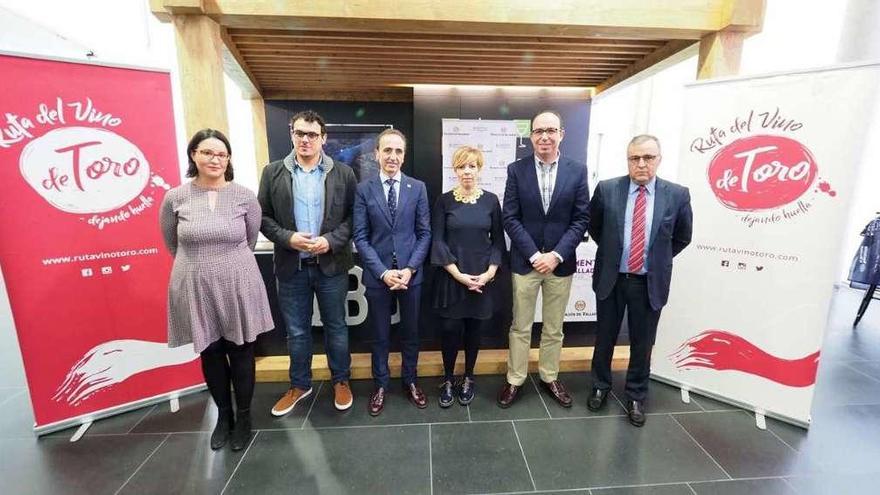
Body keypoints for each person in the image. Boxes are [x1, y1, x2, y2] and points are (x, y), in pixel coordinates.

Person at [160, 128, 273, 451]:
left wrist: (225, 263)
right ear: (193, 155)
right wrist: (202, 264)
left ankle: (246, 416)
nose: (215, 159)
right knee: (210, 351)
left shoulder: (243, 196)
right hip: (195, 283)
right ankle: (224, 416)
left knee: (241, 350)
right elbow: (171, 242)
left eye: (221, 154)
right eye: (208, 152)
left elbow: (249, 239)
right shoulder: (175, 197)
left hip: (238, 282)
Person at [587, 134, 693, 427]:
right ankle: (599, 386)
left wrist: (655, 258)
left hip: (649, 281)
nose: (642, 164)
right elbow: (596, 228)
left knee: (642, 342)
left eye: (648, 157)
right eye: (635, 158)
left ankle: (635, 395)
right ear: (628, 159)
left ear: (659, 159)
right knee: (604, 336)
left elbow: (682, 237)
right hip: (613, 277)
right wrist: (615, 253)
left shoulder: (677, 194)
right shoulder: (607, 190)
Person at [258, 110, 358, 417]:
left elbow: (355, 218)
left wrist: (331, 240)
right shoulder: (273, 172)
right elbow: (262, 217)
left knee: (337, 328)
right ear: (292, 135)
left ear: (323, 138)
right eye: (300, 133)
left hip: (332, 265)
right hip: (292, 266)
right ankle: (299, 385)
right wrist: (288, 238)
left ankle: (341, 380)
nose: (305, 139)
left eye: (312, 134)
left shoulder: (343, 173)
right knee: (297, 332)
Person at [498, 110, 590, 409]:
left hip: (560, 264)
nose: (544, 137)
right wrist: (536, 255)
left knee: (553, 327)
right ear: (531, 136)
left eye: (550, 130)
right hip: (526, 262)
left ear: (561, 133)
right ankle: (515, 379)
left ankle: (550, 375)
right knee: (520, 326)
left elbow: (581, 219)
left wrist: (556, 255)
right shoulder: (516, 170)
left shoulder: (577, 171)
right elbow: (510, 218)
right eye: (538, 131)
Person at [353, 128, 431, 416]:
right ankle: (381, 385)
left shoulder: (418, 188)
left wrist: (410, 269)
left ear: (404, 155)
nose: (393, 156)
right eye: (387, 150)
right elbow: (360, 237)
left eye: (398, 151)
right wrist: (384, 272)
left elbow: (424, 234)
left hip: (412, 276)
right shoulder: (364, 190)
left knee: (411, 333)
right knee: (380, 335)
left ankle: (410, 380)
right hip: (378, 276)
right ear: (376, 154)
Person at [431, 145, 505, 407]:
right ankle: (449, 378)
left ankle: (469, 377)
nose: (467, 171)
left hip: (482, 277)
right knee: (450, 330)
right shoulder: (444, 201)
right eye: (462, 166)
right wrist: (459, 275)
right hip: (452, 277)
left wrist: (489, 274)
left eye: (472, 166)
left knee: (475, 330)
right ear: (455, 170)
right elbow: (437, 242)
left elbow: (498, 242)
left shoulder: (491, 201)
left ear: (480, 168)